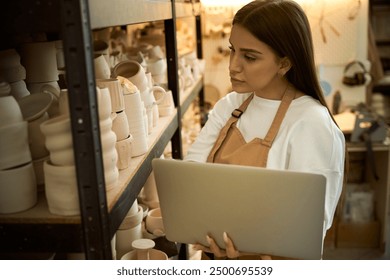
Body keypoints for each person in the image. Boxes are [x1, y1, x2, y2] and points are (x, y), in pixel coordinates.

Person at [184, 0, 347, 259]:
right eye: (232, 50)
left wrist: (247, 243)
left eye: (249, 57)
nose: (233, 65)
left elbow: (309, 228)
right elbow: (191, 172)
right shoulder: (229, 106)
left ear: (284, 63)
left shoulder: (312, 123)